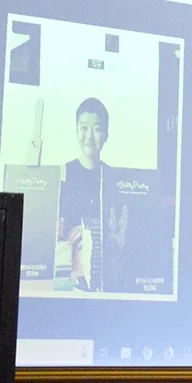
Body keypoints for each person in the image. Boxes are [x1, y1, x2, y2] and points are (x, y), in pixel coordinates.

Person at [57, 97, 126, 292]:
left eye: (96, 129)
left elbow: (119, 227)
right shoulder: (63, 173)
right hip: (71, 275)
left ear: (106, 134)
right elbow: (58, 221)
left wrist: (89, 229)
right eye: (83, 128)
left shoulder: (114, 179)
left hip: (105, 274)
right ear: (76, 130)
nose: (89, 136)